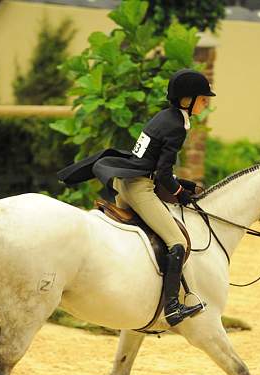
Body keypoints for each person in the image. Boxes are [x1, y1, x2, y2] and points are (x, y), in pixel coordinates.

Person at [91, 69, 216, 327]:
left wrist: (185, 184)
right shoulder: (177, 125)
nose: (206, 103)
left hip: (124, 182)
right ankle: (172, 307)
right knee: (177, 242)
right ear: (187, 100)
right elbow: (163, 173)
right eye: (203, 99)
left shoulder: (164, 117)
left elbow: (154, 165)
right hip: (139, 188)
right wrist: (180, 194)